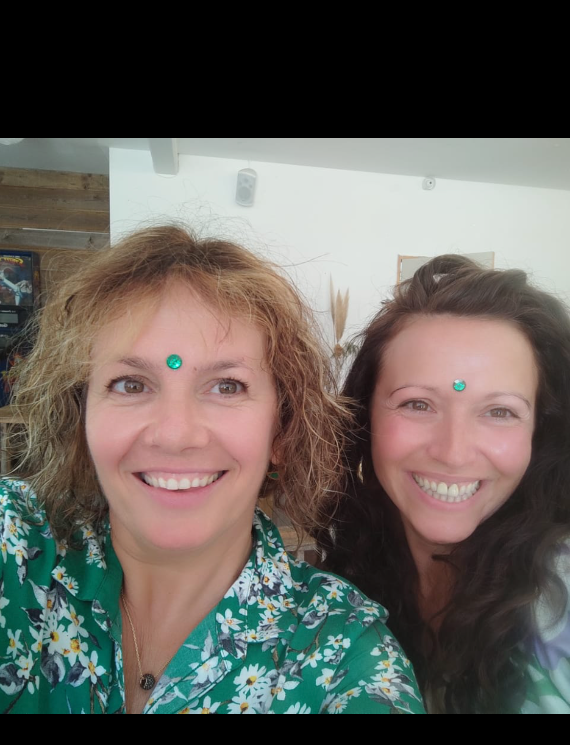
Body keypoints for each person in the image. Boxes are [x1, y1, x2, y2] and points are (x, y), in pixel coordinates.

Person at [0, 225, 423, 715]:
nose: (175, 434)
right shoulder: (17, 547)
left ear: (281, 431)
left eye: (227, 386)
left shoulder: (344, 654)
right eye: (131, 384)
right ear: (82, 417)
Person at [318, 254, 570, 714]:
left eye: (499, 412)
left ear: (540, 432)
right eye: (417, 404)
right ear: (363, 417)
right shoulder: (355, 571)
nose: (453, 452)